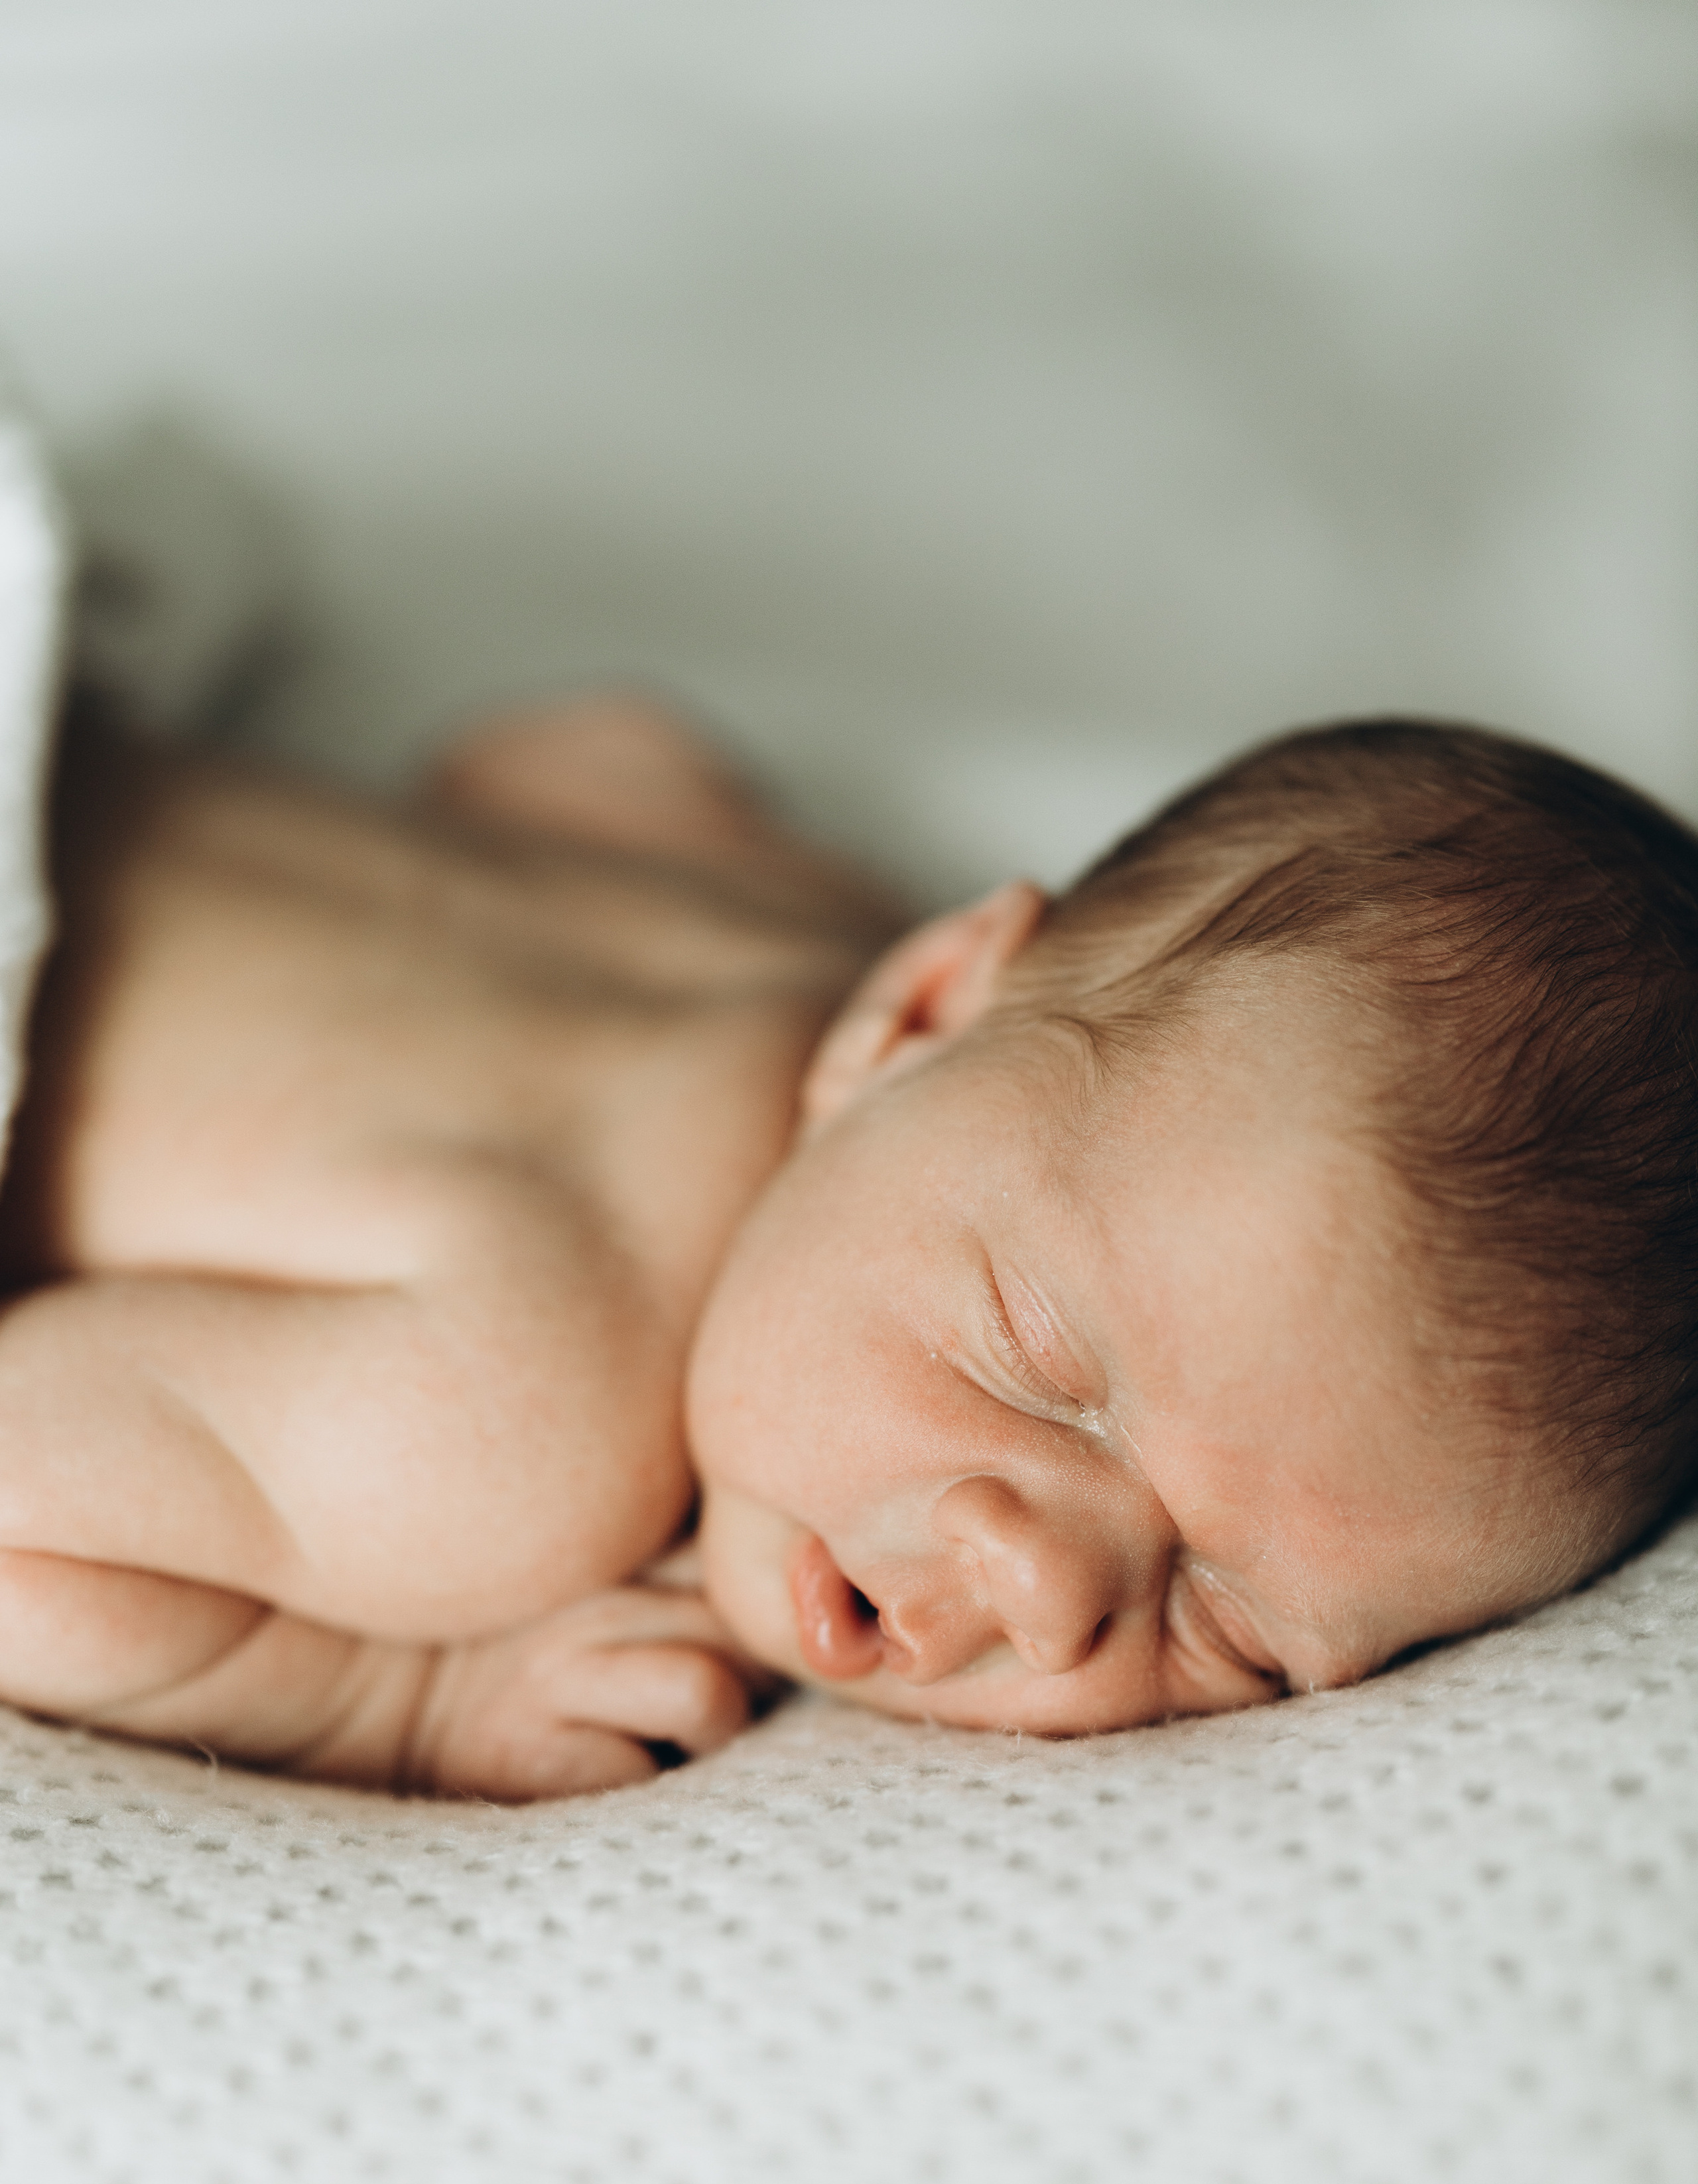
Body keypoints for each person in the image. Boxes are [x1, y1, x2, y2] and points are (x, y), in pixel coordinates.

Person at [2, 670, 1695, 1805]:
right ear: (920, 1007)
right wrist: (387, 1703)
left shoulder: (805, 920)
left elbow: (578, 744)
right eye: (1034, 1366)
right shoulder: (505, 1431)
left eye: (1234, 1629)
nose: (1043, 1591)